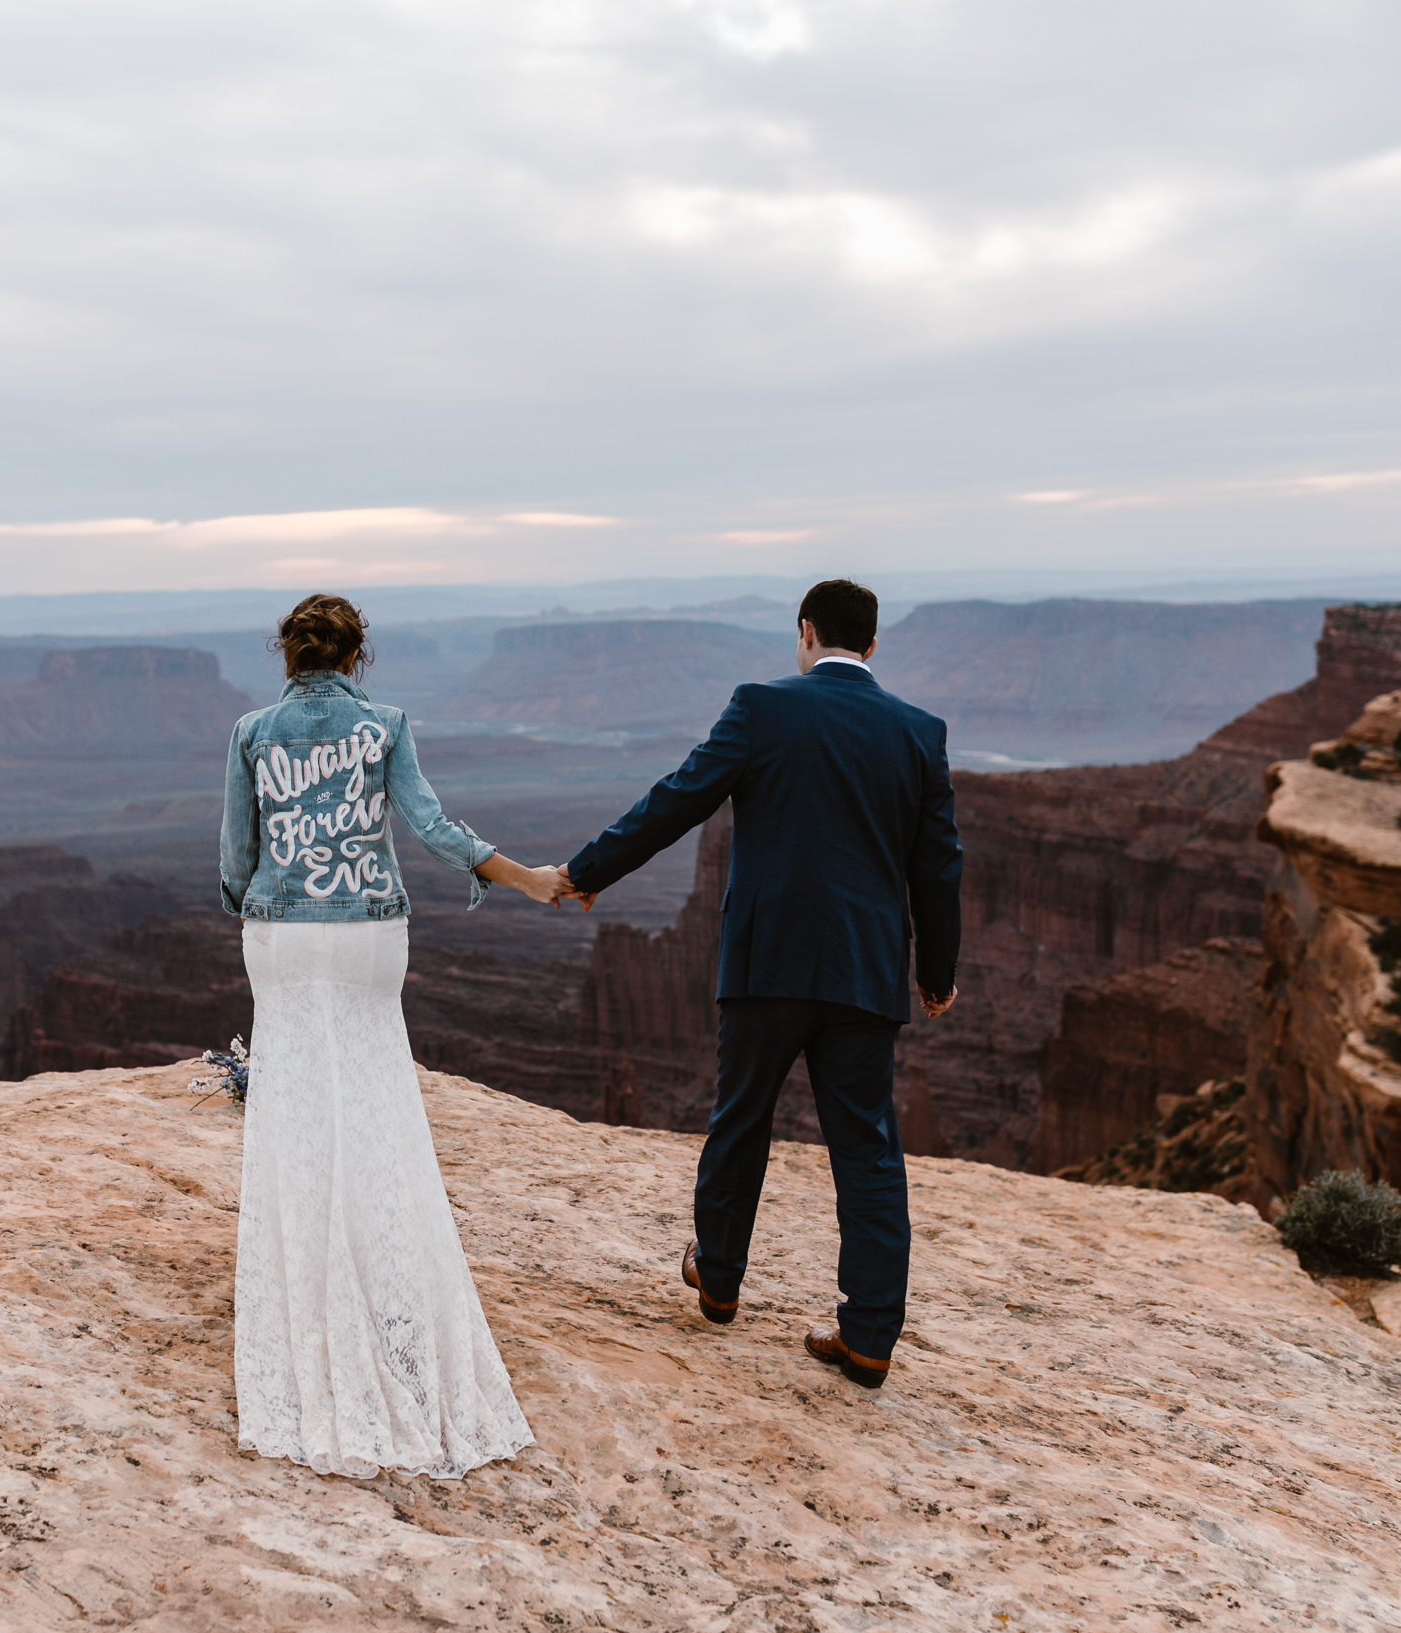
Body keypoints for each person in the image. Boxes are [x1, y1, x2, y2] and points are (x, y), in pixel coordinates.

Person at [558, 578, 962, 1390]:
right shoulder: (920, 732)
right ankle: (869, 1335)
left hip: (767, 962)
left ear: (805, 633)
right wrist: (935, 974)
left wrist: (588, 869)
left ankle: (718, 1279)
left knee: (741, 1119)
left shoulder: (762, 707)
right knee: (869, 1151)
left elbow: (677, 799)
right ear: (873, 647)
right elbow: (939, 866)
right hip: (862, 971)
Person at [219, 592, 567, 1478]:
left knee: (296, 1107)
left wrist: (258, 908)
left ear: (287, 655)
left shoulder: (254, 732)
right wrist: (526, 879)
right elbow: (433, 826)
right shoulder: (386, 727)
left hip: (286, 939)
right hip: (372, 935)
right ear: (356, 656)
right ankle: (391, 1292)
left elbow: (234, 859)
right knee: (376, 1102)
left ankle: (314, 1298)